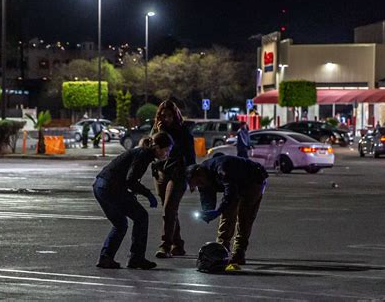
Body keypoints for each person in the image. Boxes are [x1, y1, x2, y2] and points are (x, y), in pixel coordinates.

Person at [93, 132, 174, 269]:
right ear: (157, 148)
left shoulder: (143, 154)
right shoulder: (143, 155)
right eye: (166, 151)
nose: (167, 154)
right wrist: (148, 194)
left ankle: (106, 257)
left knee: (120, 223)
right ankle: (136, 258)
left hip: (101, 186)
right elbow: (130, 180)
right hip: (110, 187)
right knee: (141, 217)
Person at [186, 155, 269, 265]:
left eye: (198, 182)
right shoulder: (202, 177)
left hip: (254, 179)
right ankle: (221, 250)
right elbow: (206, 196)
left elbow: (230, 193)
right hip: (236, 183)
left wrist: (218, 211)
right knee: (227, 215)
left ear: (199, 172)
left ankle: (239, 253)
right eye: (196, 185)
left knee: (245, 217)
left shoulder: (222, 169)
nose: (199, 185)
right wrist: (206, 211)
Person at [151, 100, 196, 258]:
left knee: (169, 210)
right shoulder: (157, 129)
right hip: (161, 174)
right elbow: (152, 149)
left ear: (175, 115)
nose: (166, 119)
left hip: (178, 174)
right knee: (169, 211)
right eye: (163, 116)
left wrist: (192, 178)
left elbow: (191, 156)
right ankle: (178, 244)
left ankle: (165, 245)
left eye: (169, 116)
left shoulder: (183, 131)